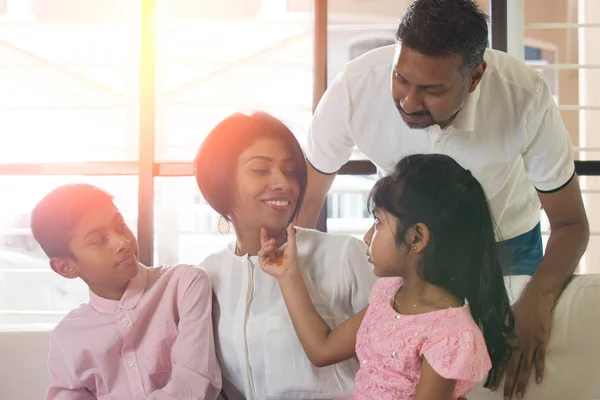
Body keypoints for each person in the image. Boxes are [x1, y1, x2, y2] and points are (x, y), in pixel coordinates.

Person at [297, 0, 589, 397]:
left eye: (432, 89)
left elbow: (571, 224)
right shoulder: (356, 86)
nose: (409, 102)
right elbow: (308, 200)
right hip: (412, 253)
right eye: (401, 79)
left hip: (507, 245)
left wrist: (537, 298)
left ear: (474, 77)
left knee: (508, 376)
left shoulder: (524, 96)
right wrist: (298, 278)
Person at [259, 154, 516, 400]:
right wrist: (287, 275)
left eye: (378, 222)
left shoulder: (450, 335)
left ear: (416, 238)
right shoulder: (389, 294)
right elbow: (322, 349)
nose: (368, 237)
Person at [194, 111, 377, 400]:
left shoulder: (343, 255)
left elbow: (400, 354)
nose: (282, 183)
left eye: (291, 171)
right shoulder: (207, 275)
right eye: (260, 170)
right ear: (222, 181)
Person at [31, 184, 221, 400]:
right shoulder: (67, 336)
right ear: (66, 267)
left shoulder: (184, 283)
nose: (122, 242)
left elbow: (194, 383)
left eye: (121, 225)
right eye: (98, 240)